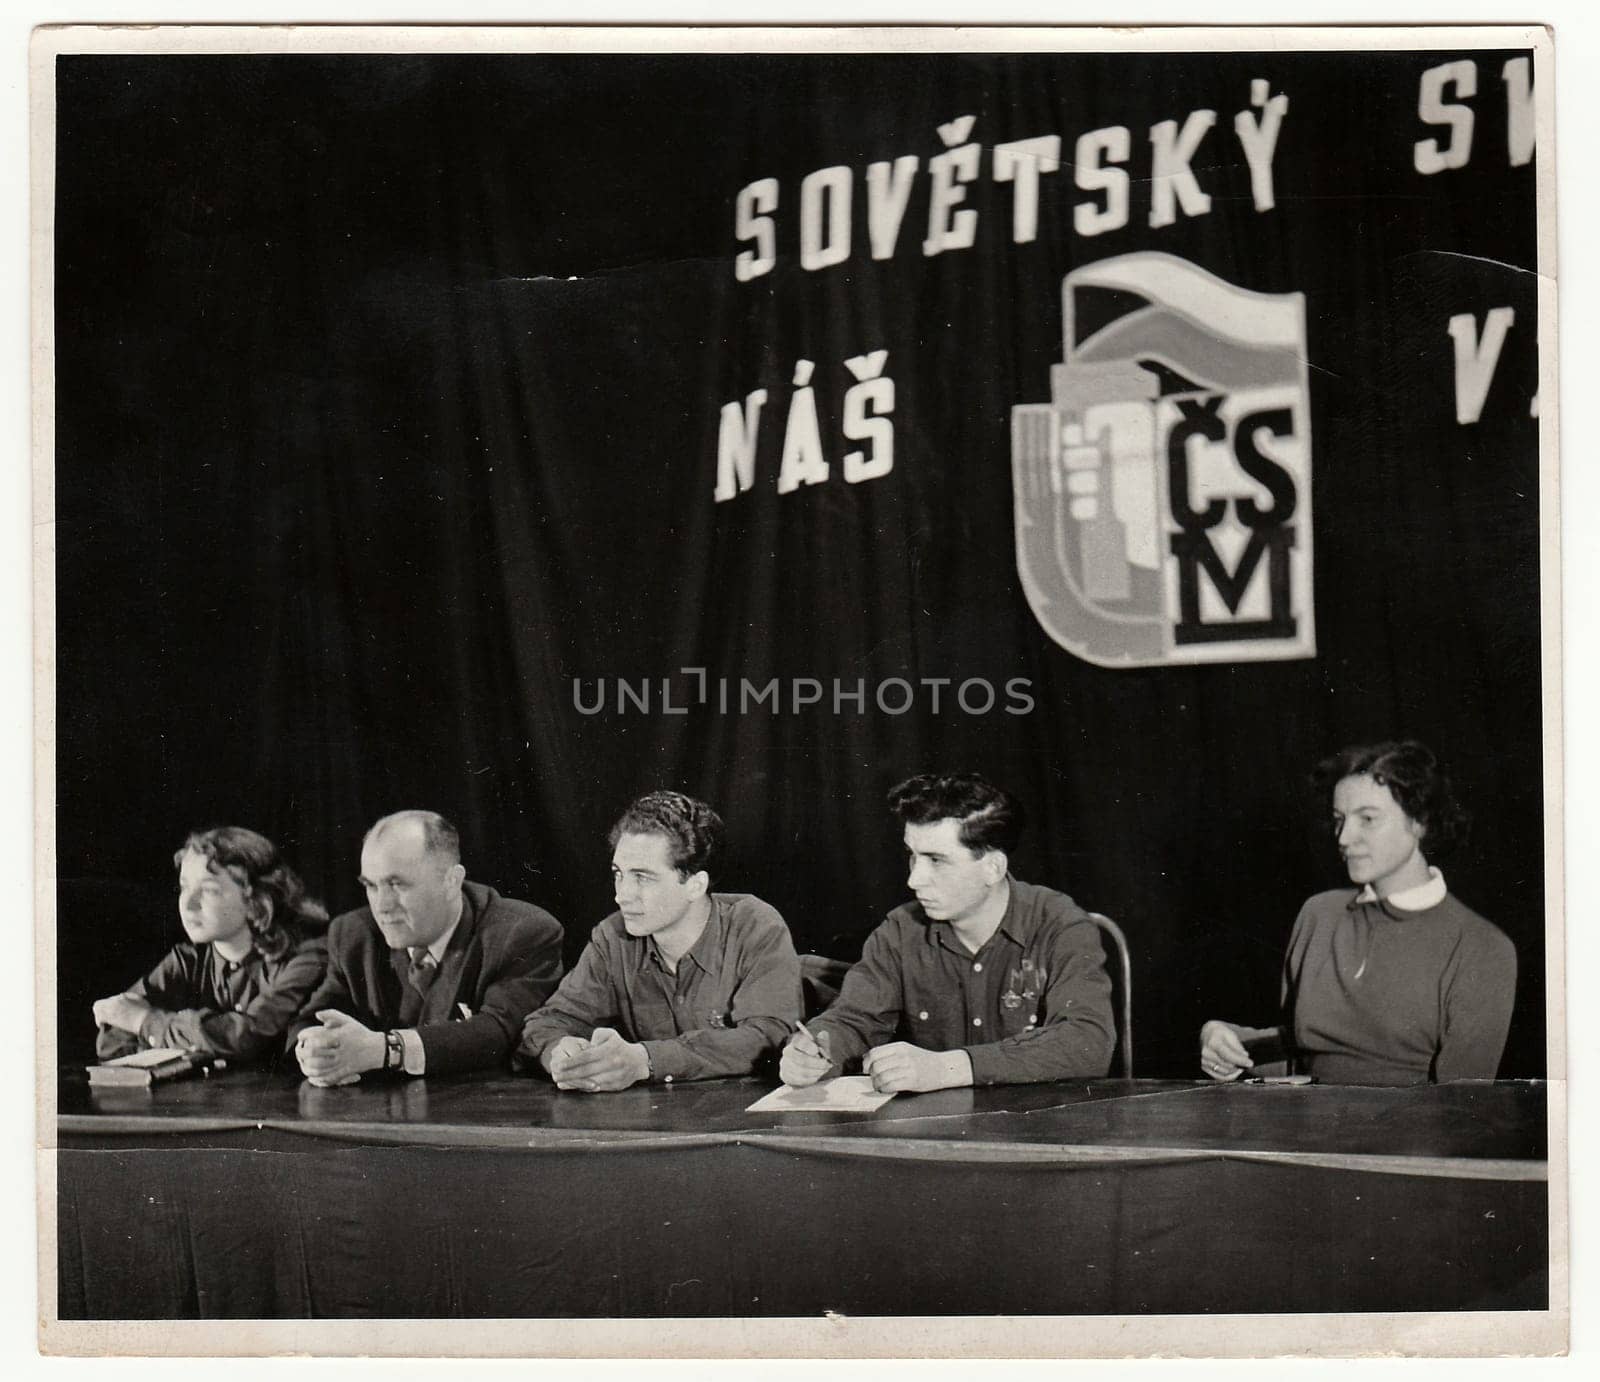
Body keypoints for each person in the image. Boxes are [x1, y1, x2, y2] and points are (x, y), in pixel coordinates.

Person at [1198, 740, 1517, 1086]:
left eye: (1367, 819)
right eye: (1339, 819)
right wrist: (1224, 1040)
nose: (1345, 837)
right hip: (1307, 1130)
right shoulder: (1319, 914)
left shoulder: (1481, 948)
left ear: (1420, 821)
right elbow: (1303, 1052)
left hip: (1410, 1137)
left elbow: (1460, 1110)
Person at [780, 772, 1114, 1092]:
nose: (914, 879)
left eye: (936, 860)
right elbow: (853, 1020)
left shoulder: (1060, 924)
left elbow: (1087, 1041)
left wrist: (947, 1068)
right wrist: (813, 1051)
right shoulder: (900, 931)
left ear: (993, 867)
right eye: (913, 857)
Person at [515, 791, 800, 1091]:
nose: (621, 894)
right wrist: (561, 1054)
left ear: (694, 885)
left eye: (643, 877)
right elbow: (547, 1023)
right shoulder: (612, 937)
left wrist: (645, 1060)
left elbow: (766, 1036)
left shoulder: (754, 925)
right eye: (618, 874)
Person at [291, 810, 563, 1085]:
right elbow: (310, 1020)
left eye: (396, 885)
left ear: (451, 882)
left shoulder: (521, 932)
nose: (382, 906)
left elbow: (500, 1032)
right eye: (371, 886)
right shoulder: (353, 933)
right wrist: (315, 1050)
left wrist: (387, 1050)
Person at [93, 826, 329, 1064]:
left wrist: (145, 1022)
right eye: (184, 887)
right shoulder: (186, 960)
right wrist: (189, 1039)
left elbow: (246, 1037)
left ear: (256, 899)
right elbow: (114, 1034)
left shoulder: (307, 957)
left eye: (209, 890)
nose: (188, 904)